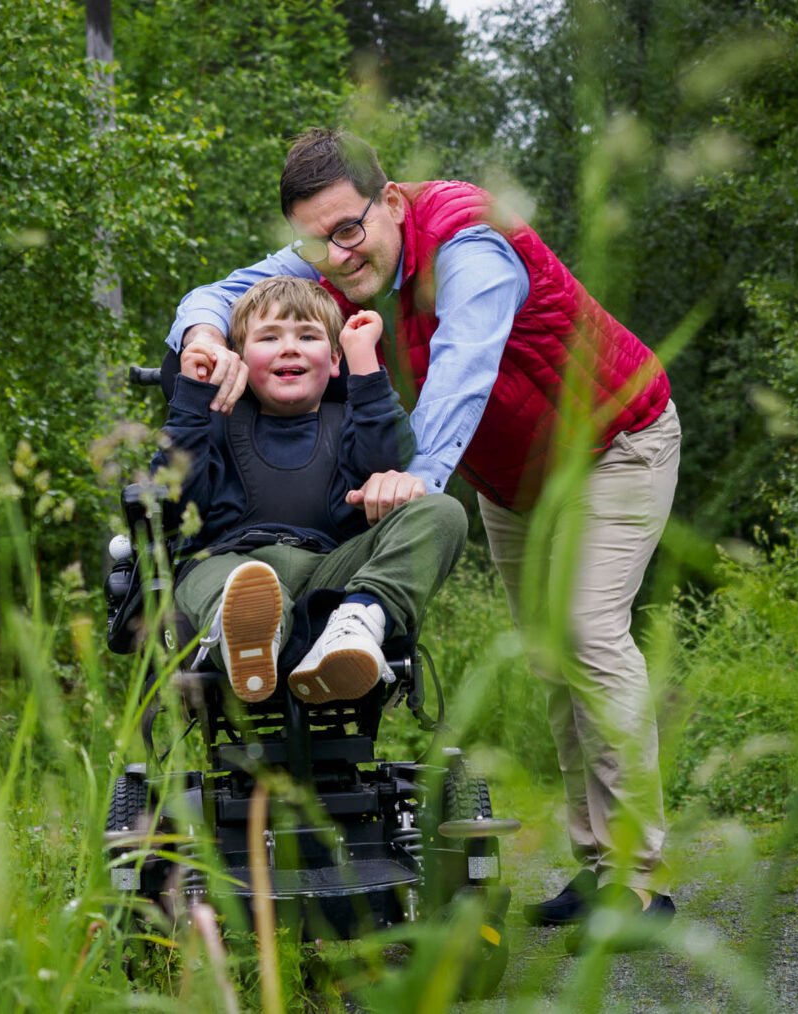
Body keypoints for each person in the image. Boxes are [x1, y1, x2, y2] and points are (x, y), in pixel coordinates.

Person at [165, 128, 682, 944]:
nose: (335, 254)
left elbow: (466, 359)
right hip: (518, 481)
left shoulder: (470, 242)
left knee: (588, 635)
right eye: (315, 239)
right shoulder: (337, 257)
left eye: (347, 229)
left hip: (614, 445)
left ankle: (638, 883)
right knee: (550, 654)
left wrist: (422, 479)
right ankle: (596, 868)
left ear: (392, 202)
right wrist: (199, 337)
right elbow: (224, 293)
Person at [153, 274, 466, 706]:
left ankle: (357, 622)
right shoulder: (213, 421)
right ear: (239, 357)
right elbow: (174, 500)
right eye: (269, 337)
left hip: (330, 580)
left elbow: (386, 457)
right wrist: (192, 395)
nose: (290, 347)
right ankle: (248, 639)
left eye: (307, 336)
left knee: (443, 511)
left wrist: (364, 362)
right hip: (227, 562)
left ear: (334, 359)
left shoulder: (350, 419)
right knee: (224, 579)